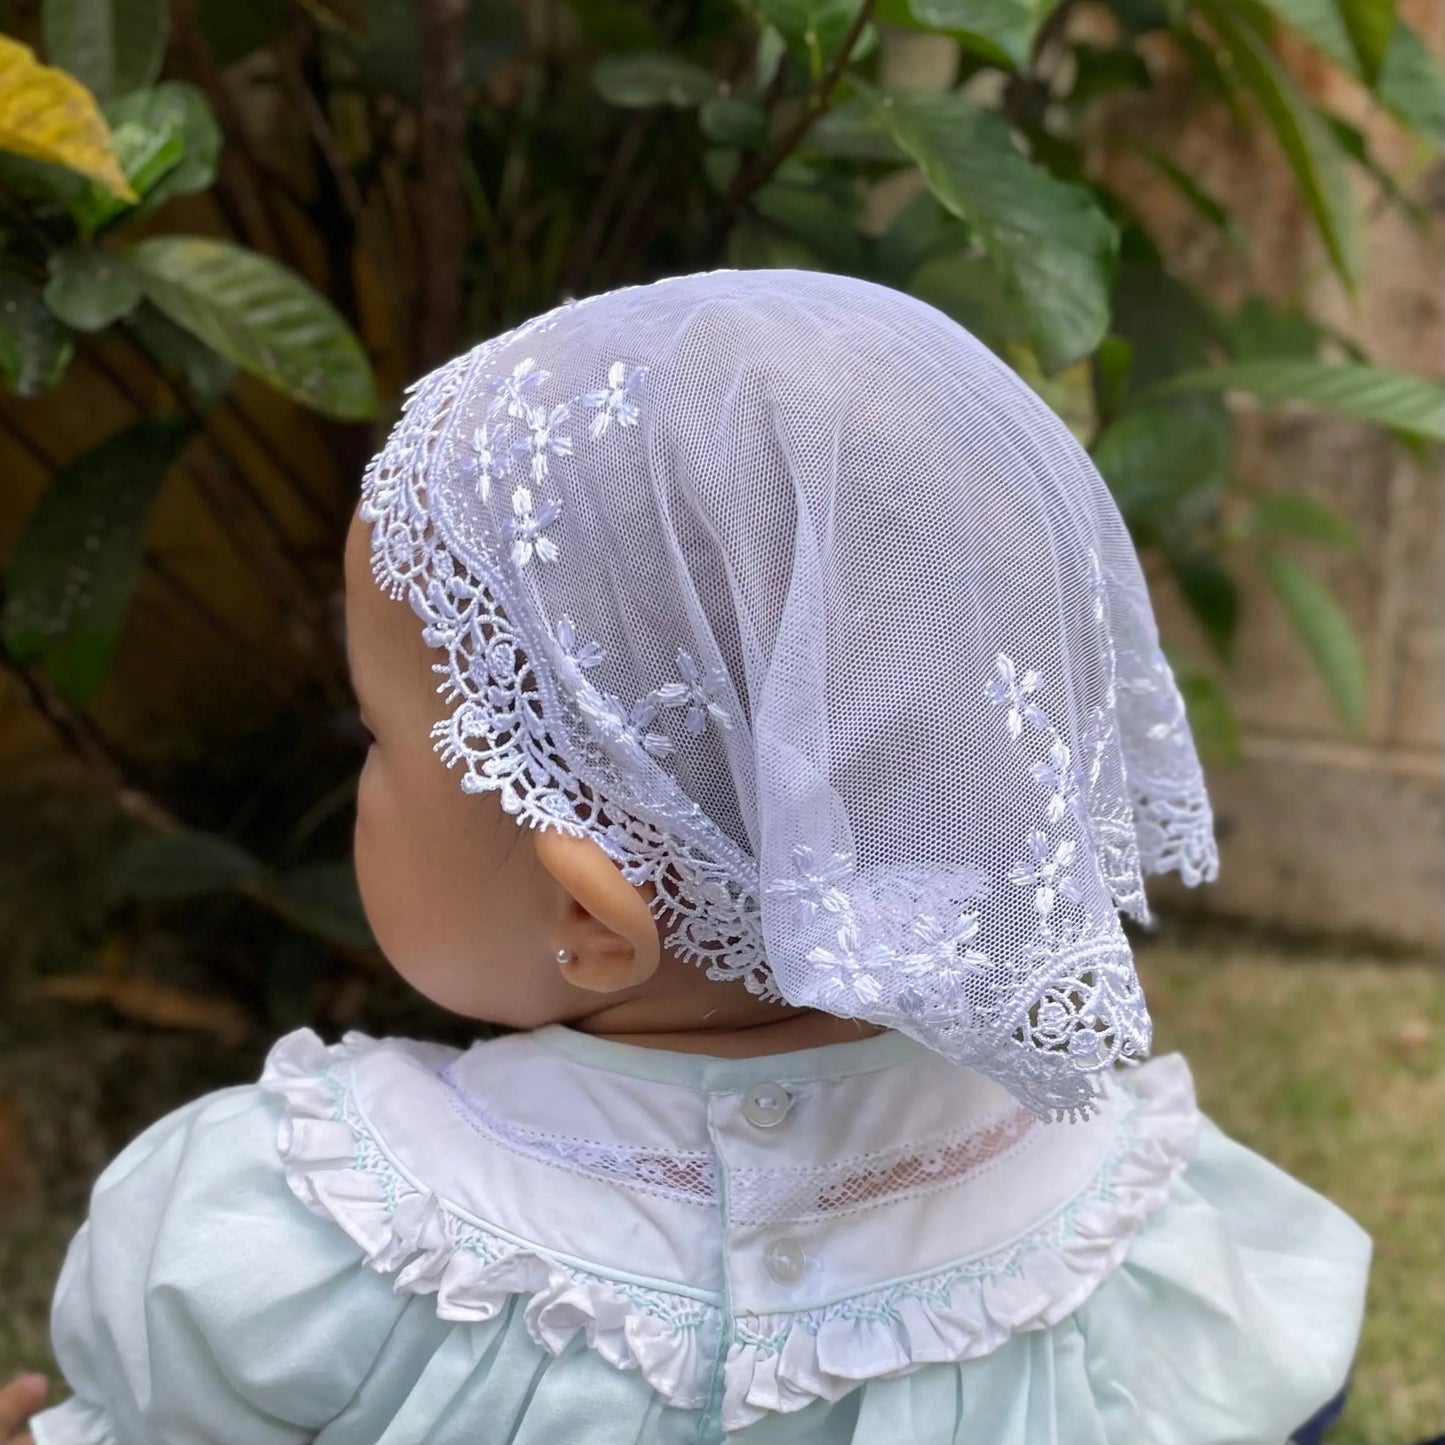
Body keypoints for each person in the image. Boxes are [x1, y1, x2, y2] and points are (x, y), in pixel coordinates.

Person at [18, 270, 1370, 1445]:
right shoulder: (1138, 1237)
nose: (357, 777)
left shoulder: (312, 1235)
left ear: (593, 914)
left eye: (376, 740)